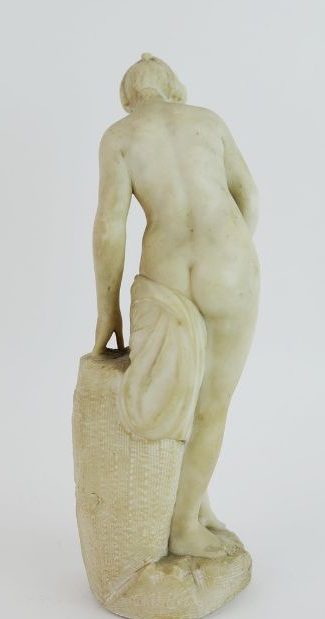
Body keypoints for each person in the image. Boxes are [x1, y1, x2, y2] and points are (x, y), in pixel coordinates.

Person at [92, 53, 260, 559]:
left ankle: (192, 510)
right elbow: (249, 196)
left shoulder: (119, 136)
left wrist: (107, 309)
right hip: (227, 263)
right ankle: (185, 523)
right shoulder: (206, 120)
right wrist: (232, 249)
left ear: (128, 98)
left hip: (166, 272)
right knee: (212, 403)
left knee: (177, 401)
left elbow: (110, 228)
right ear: (174, 87)